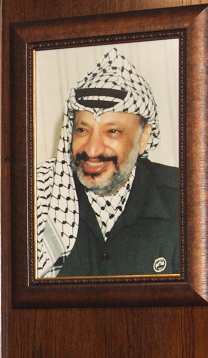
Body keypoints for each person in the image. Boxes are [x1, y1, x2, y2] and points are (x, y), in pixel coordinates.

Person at [34, 47, 180, 278]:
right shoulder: (41, 196)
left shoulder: (184, 200)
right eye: (82, 130)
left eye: (112, 131)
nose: (92, 149)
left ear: (143, 138)